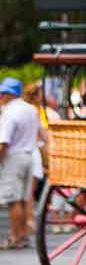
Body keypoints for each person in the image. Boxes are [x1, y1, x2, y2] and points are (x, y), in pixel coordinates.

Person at [0, 78, 44, 249]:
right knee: (25, 198)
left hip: (14, 156)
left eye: (3, 93)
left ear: (11, 94)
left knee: (14, 200)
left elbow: (4, 141)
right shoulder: (31, 110)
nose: (1, 96)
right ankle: (23, 235)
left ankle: (15, 236)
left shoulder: (10, 112)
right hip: (29, 155)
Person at [21, 82, 57, 235]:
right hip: (33, 150)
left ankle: (26, 220)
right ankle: (29, 220)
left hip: (26, 150)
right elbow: (42, 135)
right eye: (40, 94)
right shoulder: (34, 111)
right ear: (35, 95)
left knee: (26, 190)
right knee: (29, 189)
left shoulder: (31, 110)